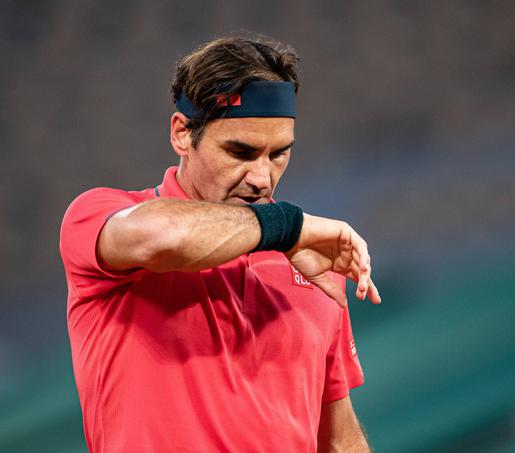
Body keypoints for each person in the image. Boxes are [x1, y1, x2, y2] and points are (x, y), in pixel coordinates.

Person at [59, 35, 381, 453]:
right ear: (181, 133)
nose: (262, 178)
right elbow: (165, 238)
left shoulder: (312, 265)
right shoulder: (98, 215)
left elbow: (336, 438)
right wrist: (286, 226)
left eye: (279, 153)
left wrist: (286, 234)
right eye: (240, 152)